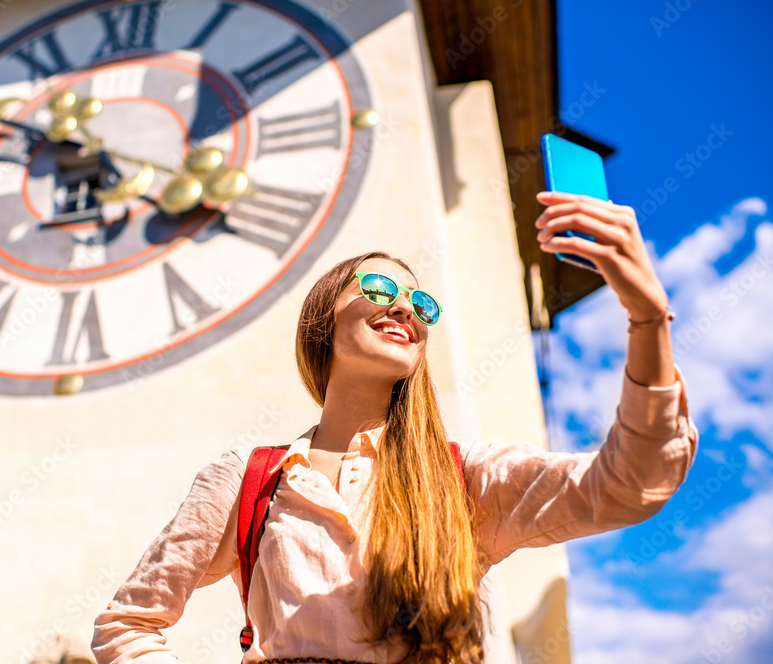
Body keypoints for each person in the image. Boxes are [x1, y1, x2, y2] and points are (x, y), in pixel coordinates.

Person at [91, 191, 699, 663]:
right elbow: (129, 624)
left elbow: (628, 484)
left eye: (421, 303)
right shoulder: (247, 480)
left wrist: (648, 319)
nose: (406, 307)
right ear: (323, 318)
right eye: (381, 288)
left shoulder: (464, 479)